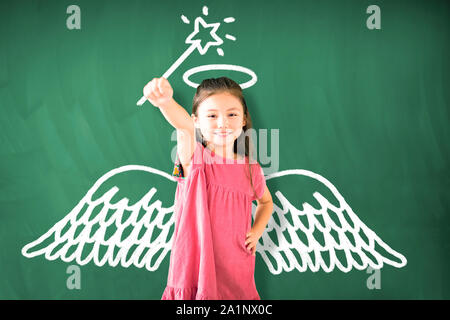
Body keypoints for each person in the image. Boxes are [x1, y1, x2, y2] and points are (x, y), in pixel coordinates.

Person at [142, 76, 273, 300]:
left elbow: (266, 202)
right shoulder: (195, 158)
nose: (223, 123)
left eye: (232, 114)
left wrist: (257, 230)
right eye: (212, 116)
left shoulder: (251, 169)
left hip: (237, 270)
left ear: (243, 119)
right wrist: (165, 102)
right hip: (194, 268)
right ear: (197, 121)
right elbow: (182, 126)